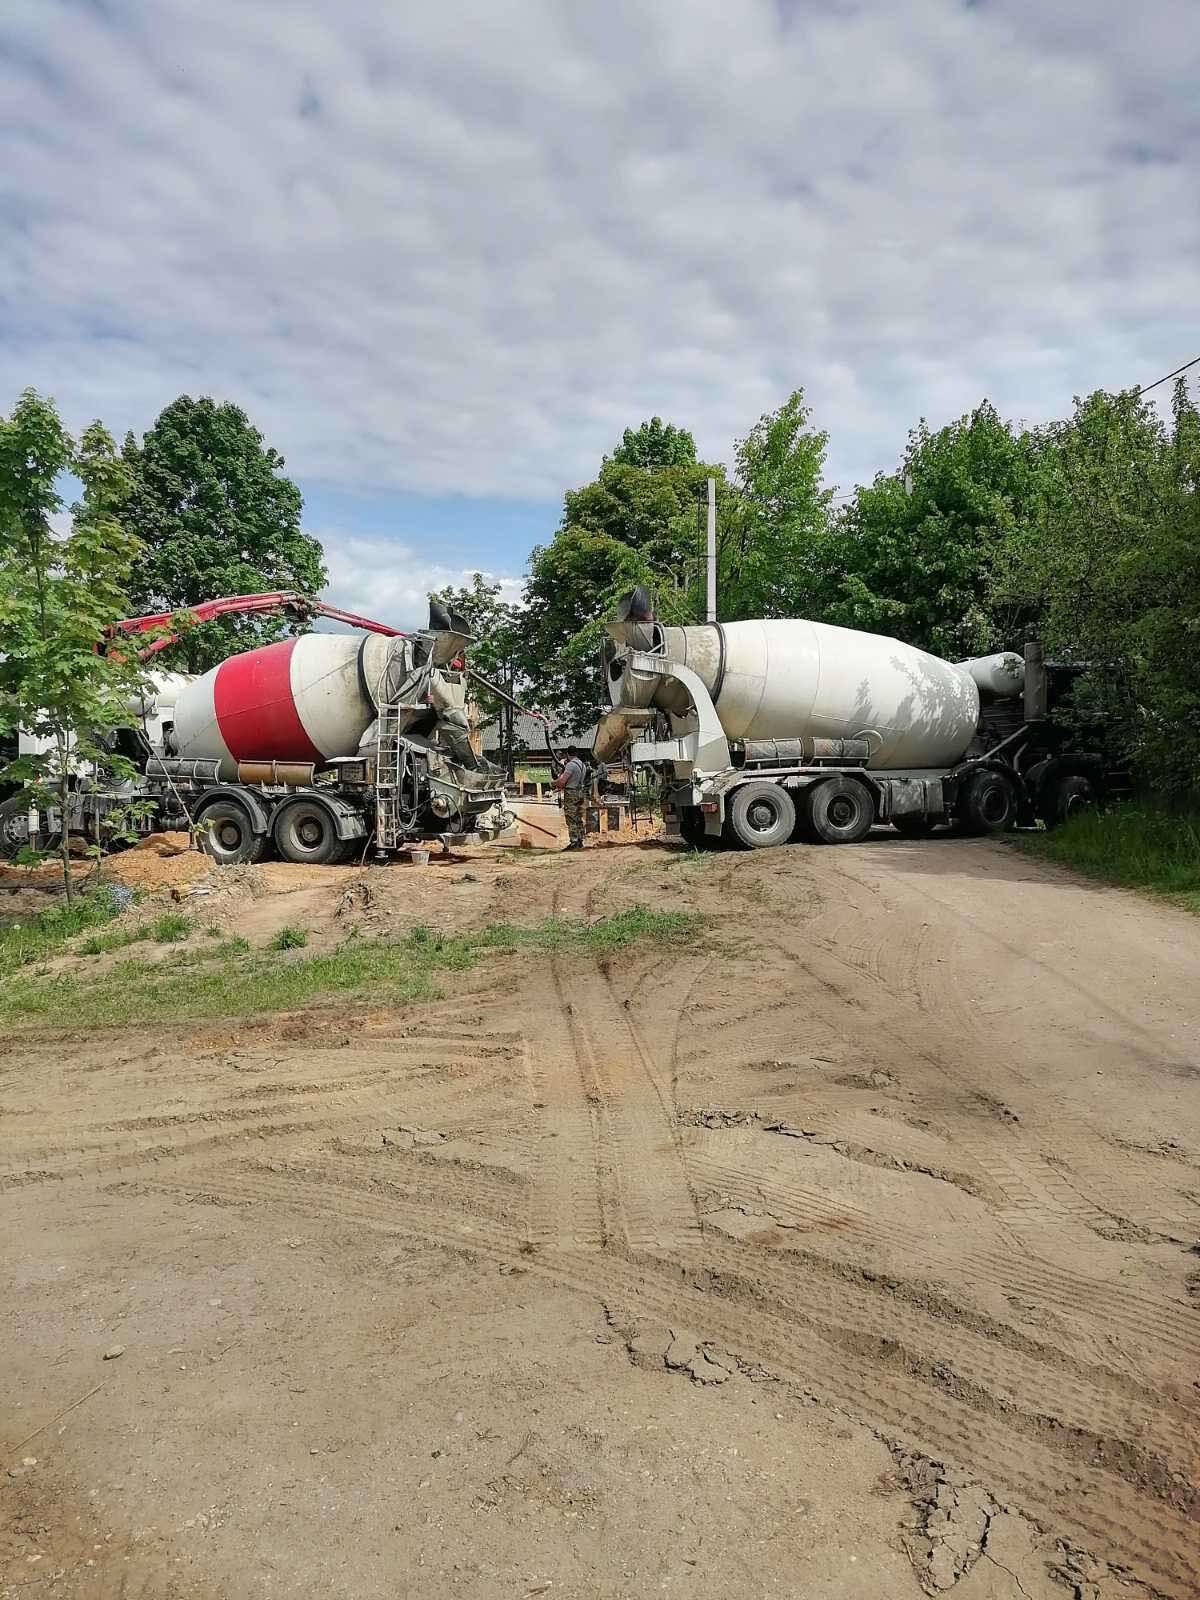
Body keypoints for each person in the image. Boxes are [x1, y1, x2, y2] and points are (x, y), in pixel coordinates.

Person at [555, 745, 588, 850]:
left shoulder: (570, 765)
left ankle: (573, 842)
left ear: (568, 754)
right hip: (580, 792)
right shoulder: (582, 765)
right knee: (578, 817)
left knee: (570, 818)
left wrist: (553, 783)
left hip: (571, 792)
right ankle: (580, 840)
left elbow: (562, 782)